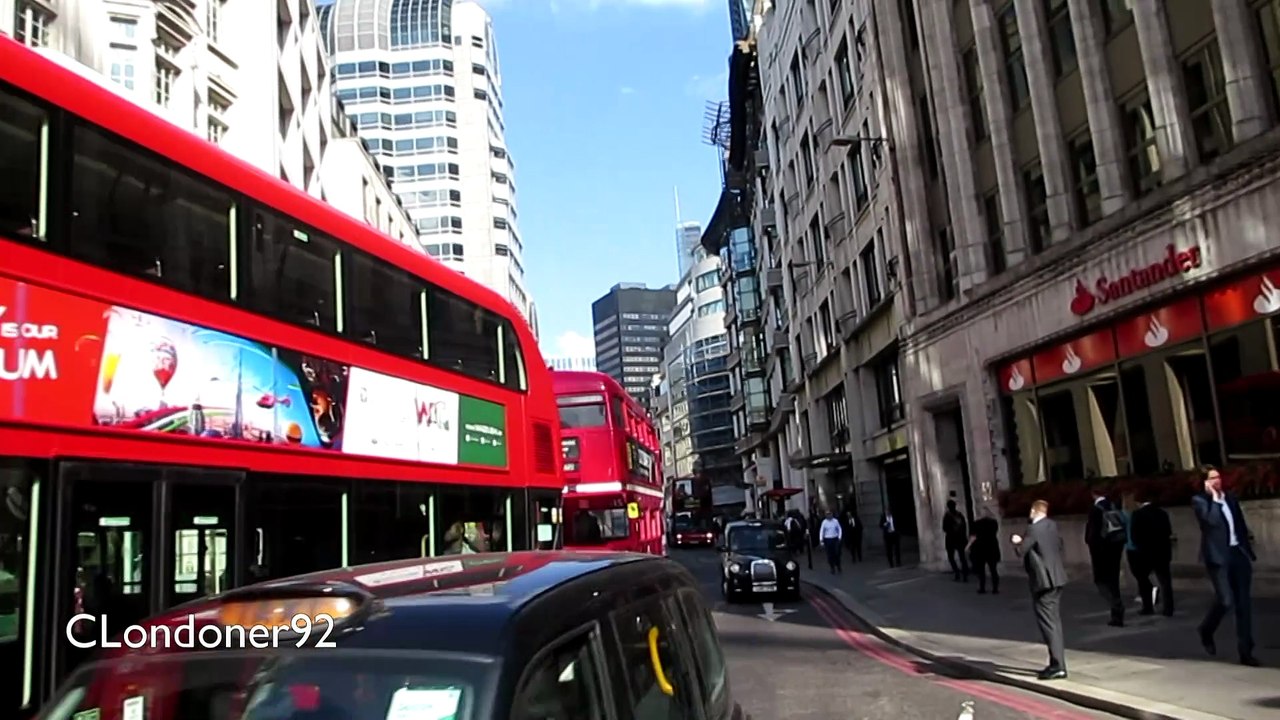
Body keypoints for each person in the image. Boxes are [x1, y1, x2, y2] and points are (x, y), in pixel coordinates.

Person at [1193, 465, 1260, 666]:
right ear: (1204, 482)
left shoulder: (1230, 498)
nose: (1217, 481)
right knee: (1225, 600)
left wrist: (1247, 549)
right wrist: (1214, 499)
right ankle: (1206, 629)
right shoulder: (1200, 501)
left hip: (1238, 554)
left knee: (1244, 605)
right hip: (1218, 558)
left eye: (1218, 477)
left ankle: (1246, 651)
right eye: (1212, 478)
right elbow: (1211, 522)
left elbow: (1239, 524)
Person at [1012, 500, 1069, 681]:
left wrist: (1017, 541)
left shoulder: (1033, 529)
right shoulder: (1052, 526)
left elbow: (1021, 551)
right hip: (1057, 577)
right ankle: (1057, 663)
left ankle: (1058, 666)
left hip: (1043, 581)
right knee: (1055, 623)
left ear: (1034, 511)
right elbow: (1059, 546)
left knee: (1048, 624)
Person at [1128, 490, 1175, 616]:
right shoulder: (1162, 513)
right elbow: (1168, 531)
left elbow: (1134, 535)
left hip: (1145, 552)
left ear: (1138, 502)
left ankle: (1147, 606)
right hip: (1162, 551)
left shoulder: (1137, 514)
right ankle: (1168, 608)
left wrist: (1139, 547)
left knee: (1143, 580)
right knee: (1165, 581)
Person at [1084, 489, 1127, 627]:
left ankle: (1116, 605)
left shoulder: (1095, 509)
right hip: (1116, 548)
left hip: (1101, 552)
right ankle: (1116, 615)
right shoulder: (1113, 506)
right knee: (1114, 581)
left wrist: (1091, 545)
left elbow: (1093, 535)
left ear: (1093, 494)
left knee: (1100, 581)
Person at [967, 507, 1001, 594]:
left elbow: (973, 537)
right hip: (992, 547)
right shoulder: (994, 523)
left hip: (980, 548)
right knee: (993, 569)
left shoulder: (976, 524)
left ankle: (982, 588)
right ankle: (995, 588)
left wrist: (967, 547)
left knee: (981, 570)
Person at [943, 500, 970, 582]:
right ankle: (965, 574)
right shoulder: (960, 515)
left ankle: (957, 573)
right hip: (960, 539)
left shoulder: (947, 516)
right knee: (962, 557)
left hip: (951, 539)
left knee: (951, 557)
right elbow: (964, 527)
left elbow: (944, 528)